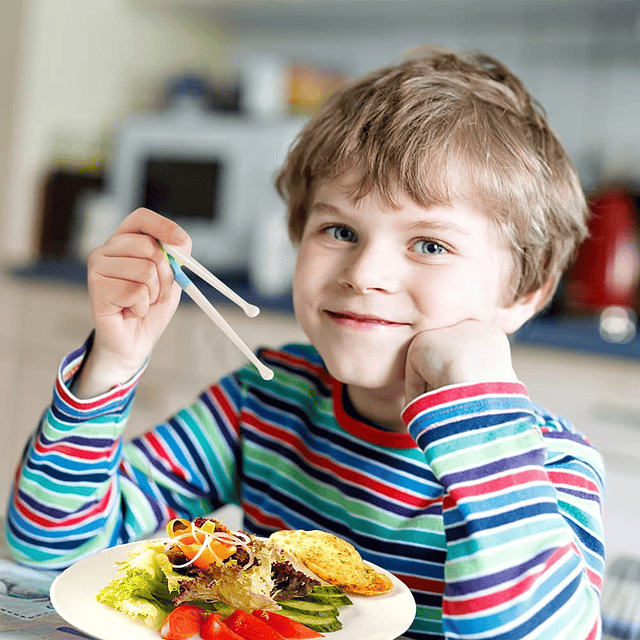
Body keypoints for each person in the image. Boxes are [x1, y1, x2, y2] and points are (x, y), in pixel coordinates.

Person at [5, 47, 604, 640]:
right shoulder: (265, 401)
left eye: (429, 244)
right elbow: (47, 552)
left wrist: (478, 422)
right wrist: (114, 359)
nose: (364, 272)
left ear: (528, 288)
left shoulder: (549, 467)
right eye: (340, 230)